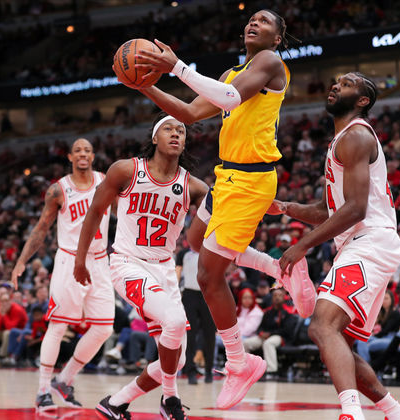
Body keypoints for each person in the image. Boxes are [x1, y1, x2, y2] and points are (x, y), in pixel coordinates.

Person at [124, 10, 316, 409]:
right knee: (195, 242)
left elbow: (229, 99)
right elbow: (191, 114)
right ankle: (279, 266)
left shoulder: (269, 62)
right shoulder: (232, 72)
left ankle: (239, 361)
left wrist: (176, 66)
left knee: (209, 275)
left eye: (263, 21)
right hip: (227, 176)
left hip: (251, 180)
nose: (252, 23)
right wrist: (142, 86)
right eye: (249, 19)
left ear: (277, 38)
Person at [270, 72, 400, 420]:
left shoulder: (356, 136)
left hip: (370, 239)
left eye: (347, 84)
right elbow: (327, 210)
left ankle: (351, 414)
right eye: (336, 82)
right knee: (337, 342)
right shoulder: (341, 141)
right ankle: (397, 414)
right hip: (364, 242)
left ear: (363, 100)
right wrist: (286, 208)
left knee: (321, 326)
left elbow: (355, 209)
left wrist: (301, 246)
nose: (336, 85)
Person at [75, 115, 201, 419]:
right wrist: (80, 259)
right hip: (127, 263)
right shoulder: (127, 170)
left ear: (185, 142)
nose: (175, 134)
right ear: (155, 138)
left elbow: (212, 230)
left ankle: (115, 403)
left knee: (177, 359)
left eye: (181, 131)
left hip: (165, 269)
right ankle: (170, 399)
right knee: (172, 323)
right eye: (168, 129)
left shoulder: (194, 186)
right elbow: (94, 212)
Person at [11, 138, 114, 412]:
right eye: (78, 150)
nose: (83, 154)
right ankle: (43, 390)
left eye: (87, 150)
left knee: (104, 327)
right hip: (69, 260)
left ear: (93, 156)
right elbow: (41, 228)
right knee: (58, 326)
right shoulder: (58, 189)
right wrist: (22, 261)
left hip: (99, 260)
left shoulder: (106, 182)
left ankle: (64, 379)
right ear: (70, 156)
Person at [178, 247, 216, 385]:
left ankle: (208, 370)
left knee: (209, 334)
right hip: (189, 294)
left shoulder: (211, 250)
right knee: (189, 335)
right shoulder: (184, 253)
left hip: (208, 294)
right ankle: (190, 372)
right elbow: (177, 272)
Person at [243, 288, 296, 378]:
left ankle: (272, 371)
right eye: (275, 295)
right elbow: (260, 327)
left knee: (269, 343)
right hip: (265, 336)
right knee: (246, 343)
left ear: (284, 298)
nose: (277, 298)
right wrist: (260, 333)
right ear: (271, 298)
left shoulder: (287, 312)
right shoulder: (267, 312)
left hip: (280, 337)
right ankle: (245, 368)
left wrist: (270, 334)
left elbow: (287, 330)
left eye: (279, 296)